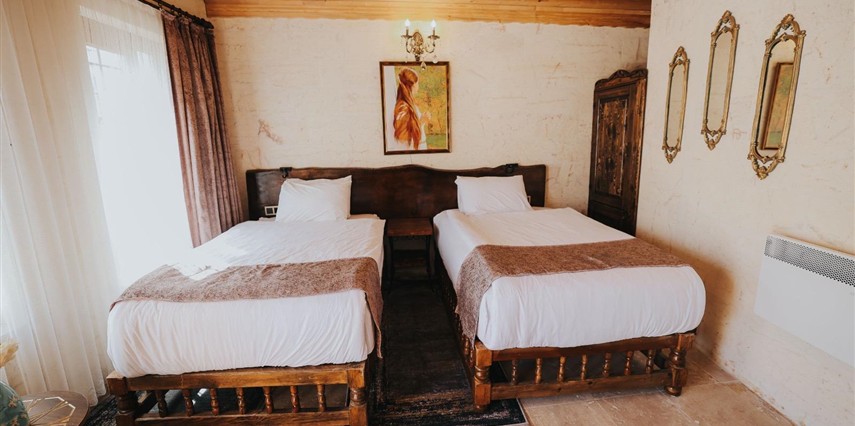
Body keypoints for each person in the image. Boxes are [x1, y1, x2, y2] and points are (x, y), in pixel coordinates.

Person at [391, 67, 431, 150]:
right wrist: (421, 121)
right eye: (417, 83)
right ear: (412, 85)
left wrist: (422, 121)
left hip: (419, 147)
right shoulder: (403, 107)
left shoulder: (410, 105)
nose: (418, 87)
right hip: (413, 150)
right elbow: (403, 137)